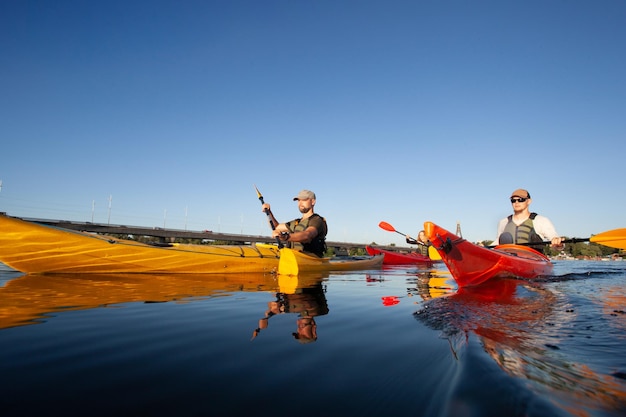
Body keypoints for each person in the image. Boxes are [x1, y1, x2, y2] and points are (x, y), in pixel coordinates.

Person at [262, 189, 328, 257]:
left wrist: (285, 237)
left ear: (313, 202)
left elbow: (307, 235)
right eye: (299, 200)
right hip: (295, 258)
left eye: (304, 200)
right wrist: (269, 212)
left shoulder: (317, 220)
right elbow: (276, 227)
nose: (300, 203)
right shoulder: (296, 222)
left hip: (311, 259)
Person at [496, 188, 563, 249]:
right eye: (513, 200)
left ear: (529, 201)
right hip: (508, 258)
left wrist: (557, 242)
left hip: (533, 258)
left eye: (521, 200)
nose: (516, 202)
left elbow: (554, 237)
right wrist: (485, 249)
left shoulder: (540, 221)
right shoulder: (503, 222)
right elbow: (497, 242)